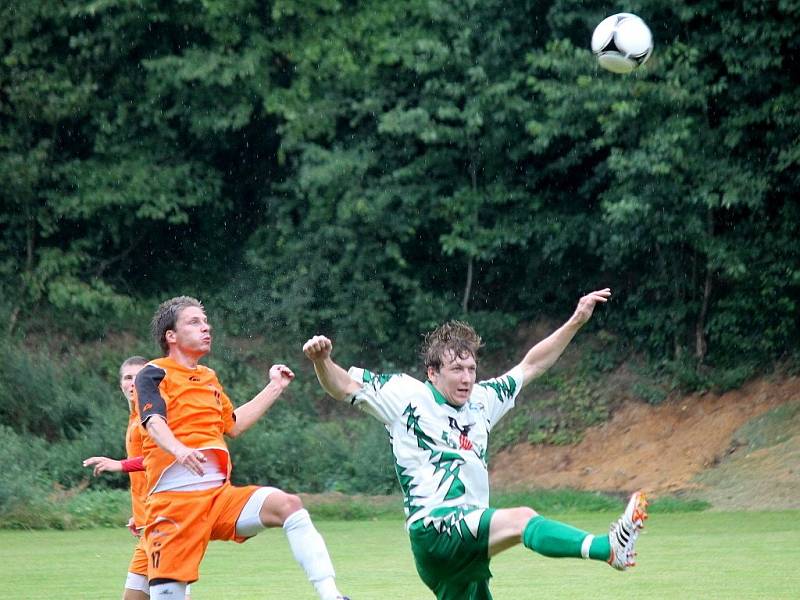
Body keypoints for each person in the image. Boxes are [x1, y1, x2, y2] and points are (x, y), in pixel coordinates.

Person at [303, 288, 647, 600]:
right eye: (456, 369)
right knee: (522, 519)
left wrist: (576, 321)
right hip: (436, 528)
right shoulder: (407, 395)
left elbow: (532, 365)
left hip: (462, 541)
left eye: (471, 368)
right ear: (433, 372)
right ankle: (607, 549)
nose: (467, 377)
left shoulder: (483, 400)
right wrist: (322, 361)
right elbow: (343, 386)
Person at [134, 296, 349, 600]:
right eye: (194, 322)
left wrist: (274, 386)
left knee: (288, 505)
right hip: (174, 505)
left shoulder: (208, 377)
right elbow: (153, 420)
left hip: (220, 498)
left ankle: (332, 595)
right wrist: (179, 450)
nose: (206, 328)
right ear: (171, 336)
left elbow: (233, 424)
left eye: (206, 322)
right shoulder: (154, 373)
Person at [83, 356, 197, 600]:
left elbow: (164, 458)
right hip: (149, 522)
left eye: (139, 376)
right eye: (127, 377)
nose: (133, 382)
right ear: (121, 385)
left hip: (167, 520)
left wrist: (120, 465)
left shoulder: (154, 416)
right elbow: (149, 472)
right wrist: (140, 512)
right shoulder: (135, 418)